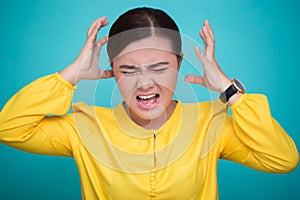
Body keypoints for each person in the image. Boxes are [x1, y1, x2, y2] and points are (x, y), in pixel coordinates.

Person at [0, 7, 298, 200]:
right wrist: (71, 76)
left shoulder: (211, 123)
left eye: (159, 68)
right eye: (128, 70)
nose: (145, 84)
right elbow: (8, 128)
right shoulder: (85, 127)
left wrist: (228, 89)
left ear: (180, 65)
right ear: (112, 70)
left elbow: (283, 160)